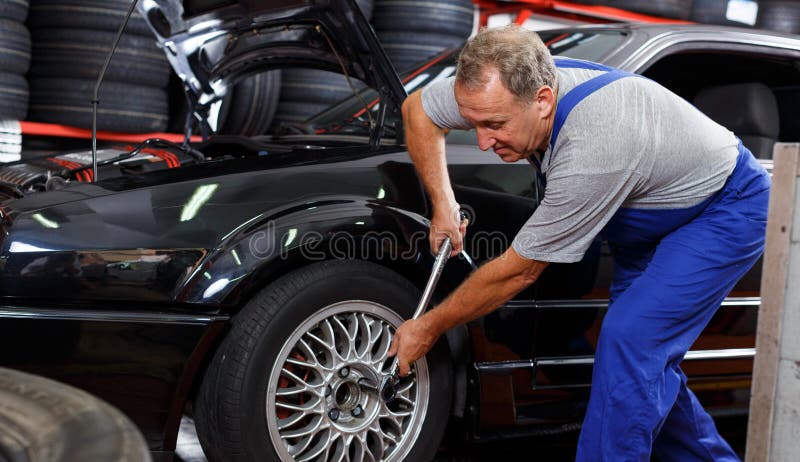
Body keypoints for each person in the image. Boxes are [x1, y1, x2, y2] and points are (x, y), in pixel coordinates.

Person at [387, 24, 769, 461]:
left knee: (630, 341)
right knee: (642, 363)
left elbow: (520, 271)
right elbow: (418, 109)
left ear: (544, 100)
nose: (483, 141)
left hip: (724, 209)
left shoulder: (595, 145)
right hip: (646, 216)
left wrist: (428, 327)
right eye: (472, 123)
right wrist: (444, 204)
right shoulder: (502, 90)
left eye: (494, 125)